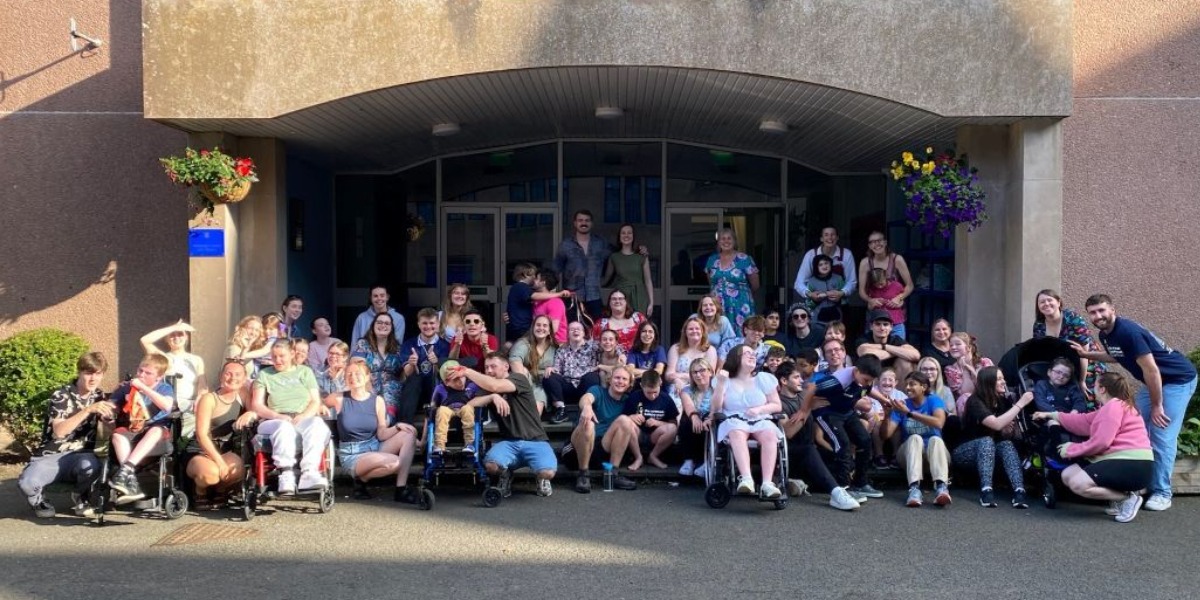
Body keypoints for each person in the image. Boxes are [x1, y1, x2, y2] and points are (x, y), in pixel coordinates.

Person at [1071, 293, 1198, 512]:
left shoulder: (1127, 331)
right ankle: (1134, 487)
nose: (1098, 315)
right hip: (1156, 383)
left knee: (1161, 434)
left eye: (1102, 310)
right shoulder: (1106, 334)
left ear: (1113, 309)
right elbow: (1116, 356)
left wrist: (1157, 405)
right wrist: (1087, 354)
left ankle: (1161, 492)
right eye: (1093, 312)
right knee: (1132, 426)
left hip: (1176, 380)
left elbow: (1151, 370)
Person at [1032, 372, 1154, 523]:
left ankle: (1127, 498)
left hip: (1132, 463)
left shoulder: (1113, 407)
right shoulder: (1113, 407)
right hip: (1125, 460)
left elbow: (1102, 442)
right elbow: (1082, 421)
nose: (1092, 388)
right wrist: (1052, 415)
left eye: (1095, 385)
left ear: (1102, 389)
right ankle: (1120, 499)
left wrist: (1072, 449)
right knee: (1068, 475)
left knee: (1078, 484)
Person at [18, 352, 114, 518]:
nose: (93, 379)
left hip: (81, 455)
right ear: (79, 372)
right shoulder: (62, 395)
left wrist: (110, 421)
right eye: (88, 373)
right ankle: (39, 500)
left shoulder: (99, 396)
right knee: (27, 483)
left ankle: (81, 495)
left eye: (98, 374)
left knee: (91, 466)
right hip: (51, 456)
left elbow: (108, 429)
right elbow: (60, 431)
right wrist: (88, 410)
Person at [454, 353, 557, 498]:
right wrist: (492, 397)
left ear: (506, 366)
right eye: (486, 367)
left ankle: (541, 478)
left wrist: (467, 371)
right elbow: (469, 405)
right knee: (491, 465)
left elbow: (495, 385)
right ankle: (506, 475)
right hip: (509, 442)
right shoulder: (489, 390)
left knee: (547, 472)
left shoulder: (518, 378)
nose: (489, 371)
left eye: (493, 366)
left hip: (535, 440)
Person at [778, 354, 862, 510]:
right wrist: (809, 408)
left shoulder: (804, 396)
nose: (801, 381)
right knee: (809, 450)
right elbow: (788, 432)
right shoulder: (779, 403)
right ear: (784, 381)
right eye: (796, 377)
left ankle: (800, 483)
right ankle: (836, 494)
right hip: (790, 454)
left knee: (840, 457)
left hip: (810, 450)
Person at [329, 358, 419, 502]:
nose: (353, 377)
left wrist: (397, 427)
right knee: (395, 463)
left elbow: (382, 434)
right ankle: (362, 479)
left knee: (408, 435)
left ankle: (401, 489)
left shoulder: (377, 400)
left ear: (367, 377)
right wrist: (321, 407)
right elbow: (318, 403)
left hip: (374, 445)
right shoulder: (339, 399)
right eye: (349, 374)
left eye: (357, 374)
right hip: (353, 453)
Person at [250, 339, 332, 494]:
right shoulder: (264, 374)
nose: (277, 360)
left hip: (301, 416)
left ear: (292, 354)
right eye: (274, 356)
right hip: (273, 420)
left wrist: (303, 415)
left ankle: (309, 473)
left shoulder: (304, 372)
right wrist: (277, 415)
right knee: (284, 426)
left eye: (282, 356)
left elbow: (315, 401)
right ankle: (286, 473)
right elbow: (257, 405)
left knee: (317, 424)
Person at [710, 344, 784, 498]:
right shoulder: (724, 380)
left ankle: (767, 484)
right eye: (747, 353)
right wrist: (721, 384)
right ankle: (746, 479)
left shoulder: (763, 379)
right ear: (736, 358)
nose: (752, 356)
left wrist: (760, 410)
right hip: (734, 420)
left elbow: (777, 405)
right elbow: (716, 408)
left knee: (770, 435)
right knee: (736, 432)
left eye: (753, 354)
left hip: (759, 418)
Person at [953, 366, 1032, 508]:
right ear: (989, 382)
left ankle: (1019, 491)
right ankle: (986, 490)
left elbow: (1003, 433)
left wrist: (1007, 431)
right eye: (999, 379)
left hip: (992, 453)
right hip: (965, 453)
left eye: (1003, 378)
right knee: (986, 441)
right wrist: (1021, 404)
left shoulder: (1003, 401)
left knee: (1006, 444)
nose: (1004, 382)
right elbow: (995, 424)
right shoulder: (975, 401)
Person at [813, 355, 887, 501]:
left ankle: (860, 483)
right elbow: (811, 388)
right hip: (827, 413)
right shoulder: (838, 380)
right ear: (856, 371)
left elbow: (869, 389)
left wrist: (885, 401)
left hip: (846, 412)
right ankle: (842, 487)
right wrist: (805, 409)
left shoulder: (866, 379)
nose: (868, 383)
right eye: (866, 380)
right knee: (843, 443)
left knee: (865, 440)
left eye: (871, 380)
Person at [186, 360, 256, 509]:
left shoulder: (242, 394)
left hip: (225, 449)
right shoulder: (209, 399)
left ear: (244, 379)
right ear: (220, 376)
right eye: (228, 373)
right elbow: (202, 435)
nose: (233, 378)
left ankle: (220, 491)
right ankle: (200, 491)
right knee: (211, 473)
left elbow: (255, 410)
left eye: (238, 375)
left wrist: (250, 413)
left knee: (238, 469)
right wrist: (219, 462)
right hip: (201, 450)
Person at [107, 354, 176, 503]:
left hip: (155, 431)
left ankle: (125, 470)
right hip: (132, 428)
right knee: (117, 435)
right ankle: (128, 477)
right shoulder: (127, 387)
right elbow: (110, 406)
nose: (141, 375)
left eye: (148, 373)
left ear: (159, 377)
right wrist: (109, 411)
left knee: (155, 430)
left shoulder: (164, 388)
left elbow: (167, 406)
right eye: (140, 370)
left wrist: (143, 388)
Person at [880, 372, 951, 507]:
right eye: (906, 385)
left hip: (935, 457)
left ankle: (942, 488)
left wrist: (909, 413)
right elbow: (885, 436)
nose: (907, 387)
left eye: (912, 384)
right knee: (915, 438)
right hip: (910, 456)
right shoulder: (902, 405)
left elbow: (939, 423)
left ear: (923, 387)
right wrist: (887, 416)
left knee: (935, 440)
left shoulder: (933, 400)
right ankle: (914, 490)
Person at [569, 365, 639, 492]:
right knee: (588, 424)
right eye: (617, 377)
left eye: (624, 379)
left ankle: (612, 474)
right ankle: (583, 475)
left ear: (629, 384)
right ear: (610, 379)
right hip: (577, 448)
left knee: (625, 420)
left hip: (602, 447)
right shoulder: (598, 391)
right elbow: (586, 398)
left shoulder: (628, 401)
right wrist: (586, 406)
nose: (620, 381)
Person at [140, 319, 207, 438]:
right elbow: (145, 340)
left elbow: (202, 385)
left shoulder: (196, 360)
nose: (176, 337)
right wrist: (174, 327)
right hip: (169, 405)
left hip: (191, 407)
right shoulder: (163, 358)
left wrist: (200, 399)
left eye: (180, 334)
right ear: (166, 339)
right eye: (172, 335)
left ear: (186, 337)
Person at [1032, 288, 1106, 396]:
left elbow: (1084, 354)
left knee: (1090, 399)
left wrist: (1082, 380)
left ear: (1058, 302)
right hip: (1064, 369)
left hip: (1087, 366)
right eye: (1042, 302)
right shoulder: (1039, 325)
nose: (1046, 304)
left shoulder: (1072, 318)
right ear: (1038, 306)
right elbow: (1042, 352)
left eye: (1049, 300)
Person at [554, 209, 612, 321]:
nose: (584, 223)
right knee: (573, 332)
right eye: (580, 220)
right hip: (572, 298)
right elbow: (556, 271)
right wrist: (551, 296)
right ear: (575, 223)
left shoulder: (601, 244)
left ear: (592, 223)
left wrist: (639, 251)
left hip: (594, 297)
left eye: (587, 220)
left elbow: (620, 254)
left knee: (596, 333)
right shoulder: (565, 245)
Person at [397, 308, 451, 424]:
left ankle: (436, 425)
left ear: (437, 324)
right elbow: (407, 373)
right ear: (418, 324)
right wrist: (412, 364)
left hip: (436, 390)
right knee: (414, 379)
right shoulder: (409, 344)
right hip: (416, 391)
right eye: (424, 323)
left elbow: (446, 375)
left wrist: (436, 363)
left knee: (434, 378)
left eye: (432, 323)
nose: (428, 326)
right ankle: (405, 425)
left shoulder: (445, 346)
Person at [856, 231, 913, 336]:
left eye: (879, 241)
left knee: (897, 345)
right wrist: (870, 300)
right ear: (869, 245)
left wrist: (899, 297)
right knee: (873, 347)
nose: (876, 244)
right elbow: (861, 291)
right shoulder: (865, 262)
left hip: (894, 311)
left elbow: (910, 285)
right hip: (875, 312)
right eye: (872, 242)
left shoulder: (897, 259)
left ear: (885, 242)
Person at [352, 312, 405, 423]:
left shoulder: (398, 348)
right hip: (368, 385)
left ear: (391, 328)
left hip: (391, 390)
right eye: (379, 322)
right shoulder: (363, 344)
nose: (383, 325)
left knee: (387, 415)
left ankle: (387, 424)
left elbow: (403, 372)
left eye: (387, 323)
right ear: (373, 325)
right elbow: (356, 362)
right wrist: (368, 385)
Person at [543, 321, 602, 420]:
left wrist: (621, 354)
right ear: (568, 334)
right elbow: (557, 369)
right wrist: (551, 369)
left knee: (593, 376)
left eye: (578, 329)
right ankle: (561, 410)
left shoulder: (593, 347)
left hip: (585, 387)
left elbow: (611, 346)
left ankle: (588, 407)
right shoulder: (562, 350)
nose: (575, 331)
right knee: (549, 375)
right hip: (567, 386)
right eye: (572, 329)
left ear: (583, 333)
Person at [621, 370, 678, 469]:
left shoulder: (666, 399)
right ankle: (638, 457)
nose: (652, 396)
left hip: (655, 435)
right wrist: (631, 417)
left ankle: (653, 456)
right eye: (648, 392)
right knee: (627, 423)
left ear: (660, 384)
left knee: (672, 428)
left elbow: (674, 423)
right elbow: (623, 418)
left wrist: (658, 423)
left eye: (655, 392)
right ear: (641, 386)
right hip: (637, 434)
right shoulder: (635, 396)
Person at [705, 226, 760, 330]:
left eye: (729, 238)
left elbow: (755, 285)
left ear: (734, 241)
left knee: (741, 335)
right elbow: (712, 283)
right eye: (723, 238)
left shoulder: (744, 259)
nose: (726, 241)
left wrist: (740, 295)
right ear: (719, 242)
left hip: (740, 305)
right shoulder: (712, 260)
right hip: (717, 306)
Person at [793, 226, 856, 308]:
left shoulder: (846, 254)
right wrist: (810, 294)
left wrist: (841, 293)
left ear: (837, 238)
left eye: (832, 234)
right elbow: (799, 283)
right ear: (821, 239)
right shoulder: (811, 255)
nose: (830, 237)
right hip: (815, 306)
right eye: (826, 235)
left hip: (839, 306)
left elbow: (851, 281)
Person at [665, 316, 719, 410]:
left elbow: (710, 375)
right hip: (678, 386)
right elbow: (668, 374)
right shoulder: (676, 349)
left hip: (701, 388)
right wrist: (676, 380)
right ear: (685, 332)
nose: (694, 331)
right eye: (690, 329)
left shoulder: (710, 350)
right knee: (676, 407)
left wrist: (679, 375)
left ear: (702, 331)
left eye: (697, 328)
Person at [509, 315, 558, 416]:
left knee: (535, 411)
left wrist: (553, 368)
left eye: (545, 326)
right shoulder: (523, 343)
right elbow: (515, 360)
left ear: (549, 331)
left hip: (544, 385)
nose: (541, 328)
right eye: (538, 325)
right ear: (533, 328)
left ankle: (531, 429)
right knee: (524, 370)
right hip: (526, 384)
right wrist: (524, 386)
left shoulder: (554, 347)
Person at [605, 223, 655, 317]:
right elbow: (606, 279)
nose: (626, 235)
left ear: (633, 236)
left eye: (629, 233)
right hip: (621, 297)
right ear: (619, 237)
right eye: (623, 233)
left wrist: (651, 302)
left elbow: (648, 281)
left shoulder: (642, 256)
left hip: (639, 295)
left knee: (639, 327)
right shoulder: (614, 257)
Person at [854, 310, 919, 381]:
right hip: (869, 379)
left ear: (891, 327)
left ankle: (901, 392)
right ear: (871, 327)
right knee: (870, 362)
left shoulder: (895, 339)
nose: (882, 328)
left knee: (905, 362)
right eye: (878, 324)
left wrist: (884, 346)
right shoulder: (864, 338)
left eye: (885, 324)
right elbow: (865, 354)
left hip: (891, 378)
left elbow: (916, 355)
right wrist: (897, 353)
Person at [944, 331, 993, 414]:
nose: (953, 347)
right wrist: (965, 370)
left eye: (958, 344)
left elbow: (989, 387)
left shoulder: (985, 363)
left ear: (969, 348)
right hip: (968, 409)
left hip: (989, 400)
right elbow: (966, 393)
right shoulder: (950, 370)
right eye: (951, 345)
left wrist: (973, 373)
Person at [863, 268, 908, 340]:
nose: (879, 286)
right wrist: (873, 303)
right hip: (878, 323)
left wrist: (897, 303)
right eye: (876, 284)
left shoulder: (897, 286)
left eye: (881, 283)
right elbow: (869, 307)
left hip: (896, 322)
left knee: (899, 345)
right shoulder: (871, 288)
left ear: (886, 278)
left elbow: (903, 302)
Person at [803, 254, 846, 324]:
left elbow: (846, 298)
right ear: (816, 267)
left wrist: (839, 299)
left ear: (830, 264)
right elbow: (808, 303)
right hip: (817, 319)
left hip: (836, 318)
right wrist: (815, 301)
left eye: (826, 263)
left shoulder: (838, 278)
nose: (824, 266)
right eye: (820, 265)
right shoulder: (811, 281)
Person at [531, 269, 570, 344]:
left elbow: (553, 329)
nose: (533, 280)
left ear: (543, 282)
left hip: (556, 344)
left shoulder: (555, 302)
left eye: (536, 278)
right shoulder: (535, 300)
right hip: (540, 341)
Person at [225, 315, 270, 380]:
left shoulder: (252, 351)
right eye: (250, 328)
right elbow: (236, 372)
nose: (253, 333)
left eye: (257, 330)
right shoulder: (234, 348)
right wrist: (246, 348)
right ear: (241, 328)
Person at [504, 262, 538, 343]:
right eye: (533, 275)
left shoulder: (517, 287)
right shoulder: (521, 287)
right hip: (522, 328)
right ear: (526, 274)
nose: (535, 278)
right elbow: (533, 296)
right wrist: (558, 294)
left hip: (517, 327)